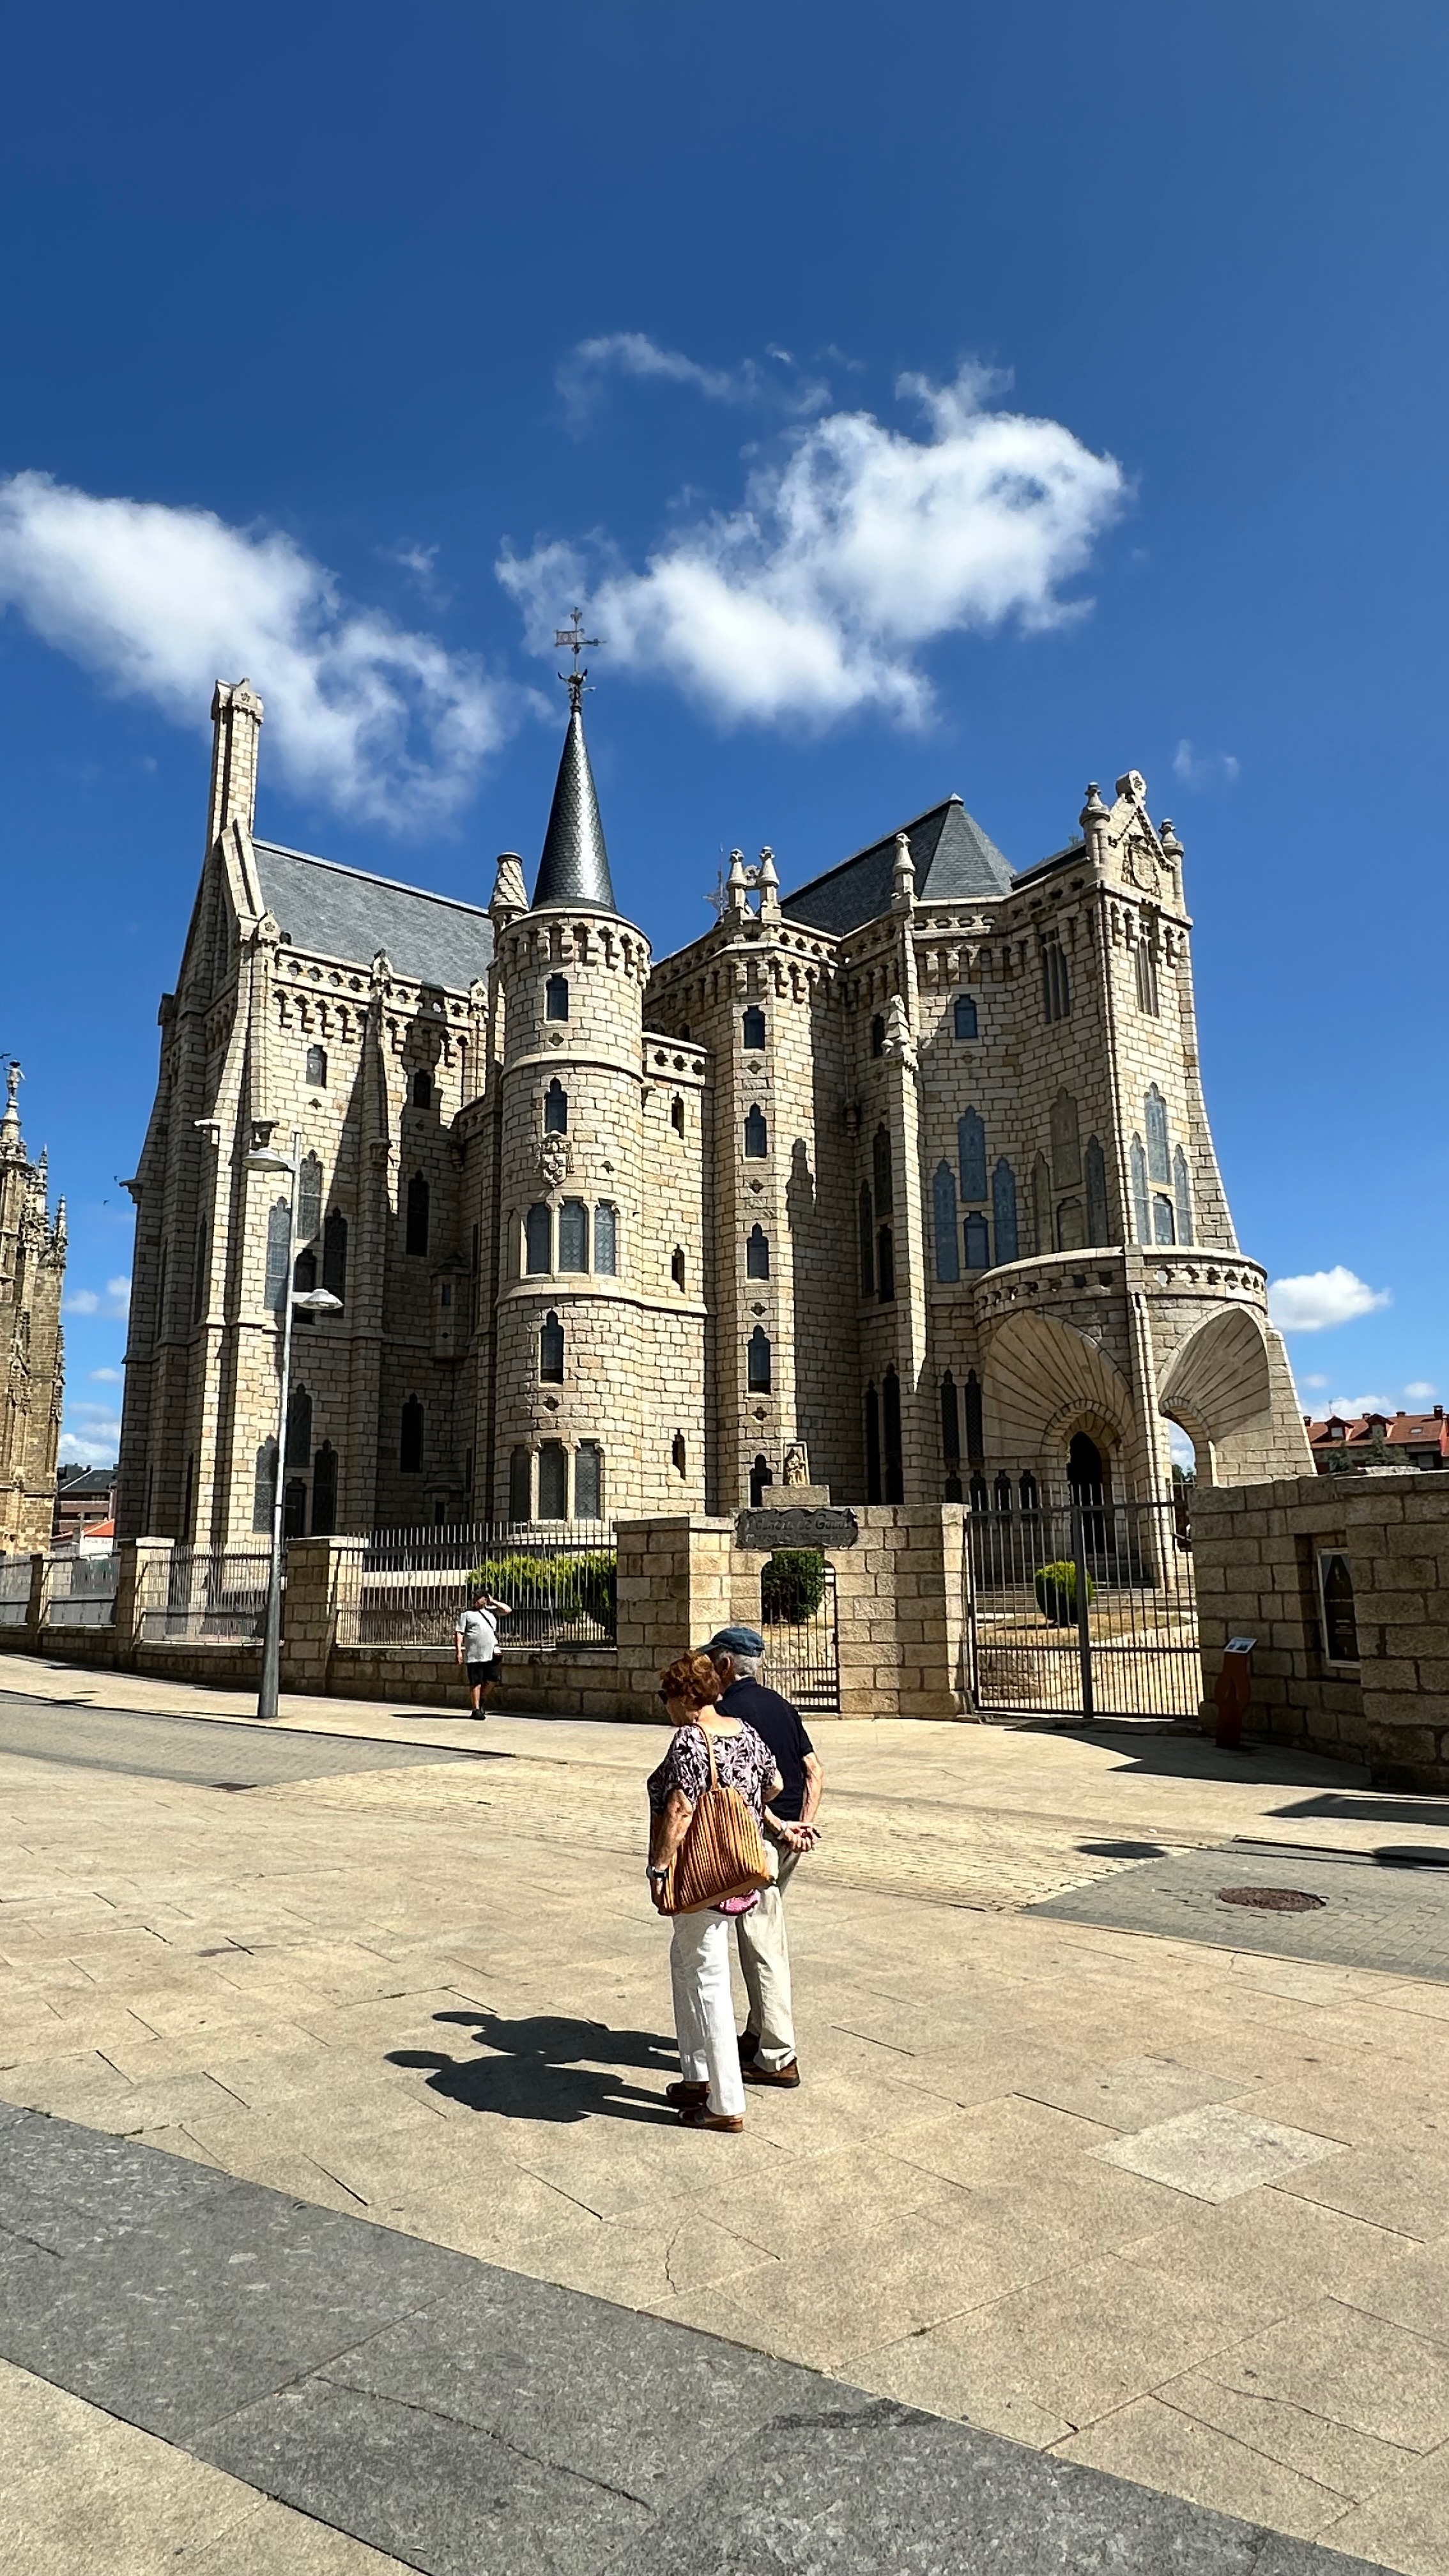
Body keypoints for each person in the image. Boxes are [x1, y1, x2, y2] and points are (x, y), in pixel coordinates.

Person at [645, 1649, 781, 2133]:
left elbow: (681, 1808)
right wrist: (740, 1813)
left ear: (687, 1696)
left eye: (666, 1695)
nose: (664, 1705)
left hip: (700, 1873)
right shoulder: (745, 1732)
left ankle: (724, 2102)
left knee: (706, 1977)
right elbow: (774, 1783)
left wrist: (660, 1868)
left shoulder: (689, 1738)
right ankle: (696, 2073)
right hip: (739, 1868)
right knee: (686, 1963)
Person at [706, 1626, 824, 2090]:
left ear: (725, 1665)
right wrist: (804, 1824)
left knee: (761, 1942)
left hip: (759, 1839)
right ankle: (757, 2032)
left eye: (713, 1661)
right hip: (792, 1835)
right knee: (764, 1929)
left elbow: (743, 1789)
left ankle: (777, 2056)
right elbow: (814, 1770)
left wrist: (778, 1828)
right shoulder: (781, 1705)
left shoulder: (726, 1714)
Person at [454, 1586, 512, 1717]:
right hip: (474, 1654)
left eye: (478, 1597)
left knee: (492, 1679)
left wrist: (493, 1602)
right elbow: (459, 1633)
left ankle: (480, 1700)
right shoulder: (466, 1614)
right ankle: (476, 1710)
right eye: (474, 1597)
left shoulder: (492, 1612)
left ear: (485, 1599)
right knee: (476, 1681)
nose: (475, 1599)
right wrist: (459, 1651)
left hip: (491, 1652)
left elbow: (508, 1610)